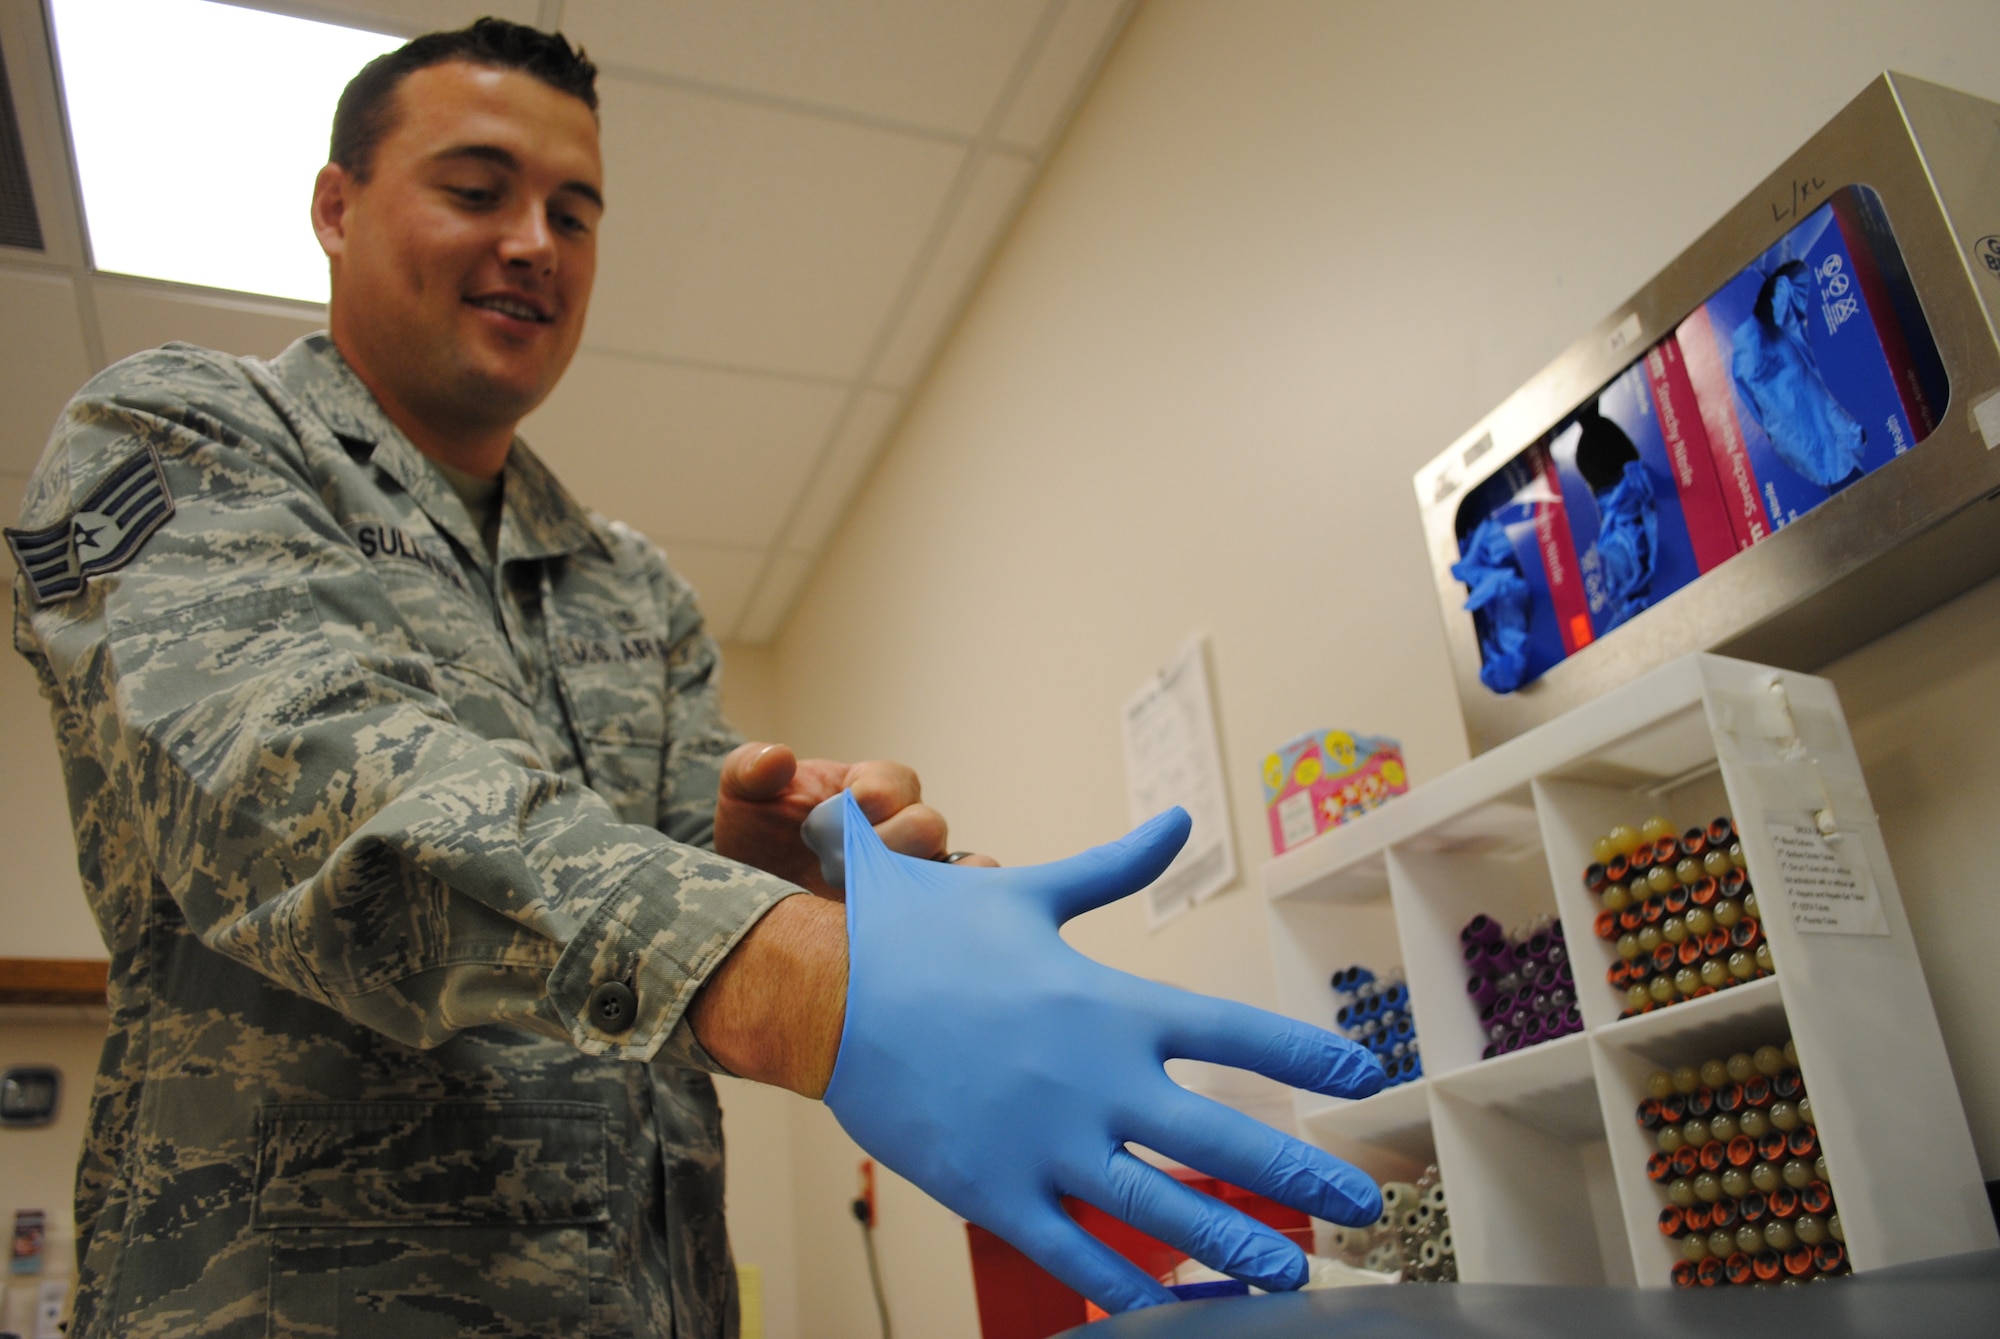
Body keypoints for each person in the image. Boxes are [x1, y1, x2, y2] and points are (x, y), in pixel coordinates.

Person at [9, 20, 1382, 1337]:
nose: (532, 243)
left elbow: (671, 915)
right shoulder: (176, 427)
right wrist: (800, 974)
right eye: (478, 188)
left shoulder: (629, 585)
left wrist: (810, 877)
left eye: (575, 211)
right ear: (336, 205)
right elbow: (295, 782)